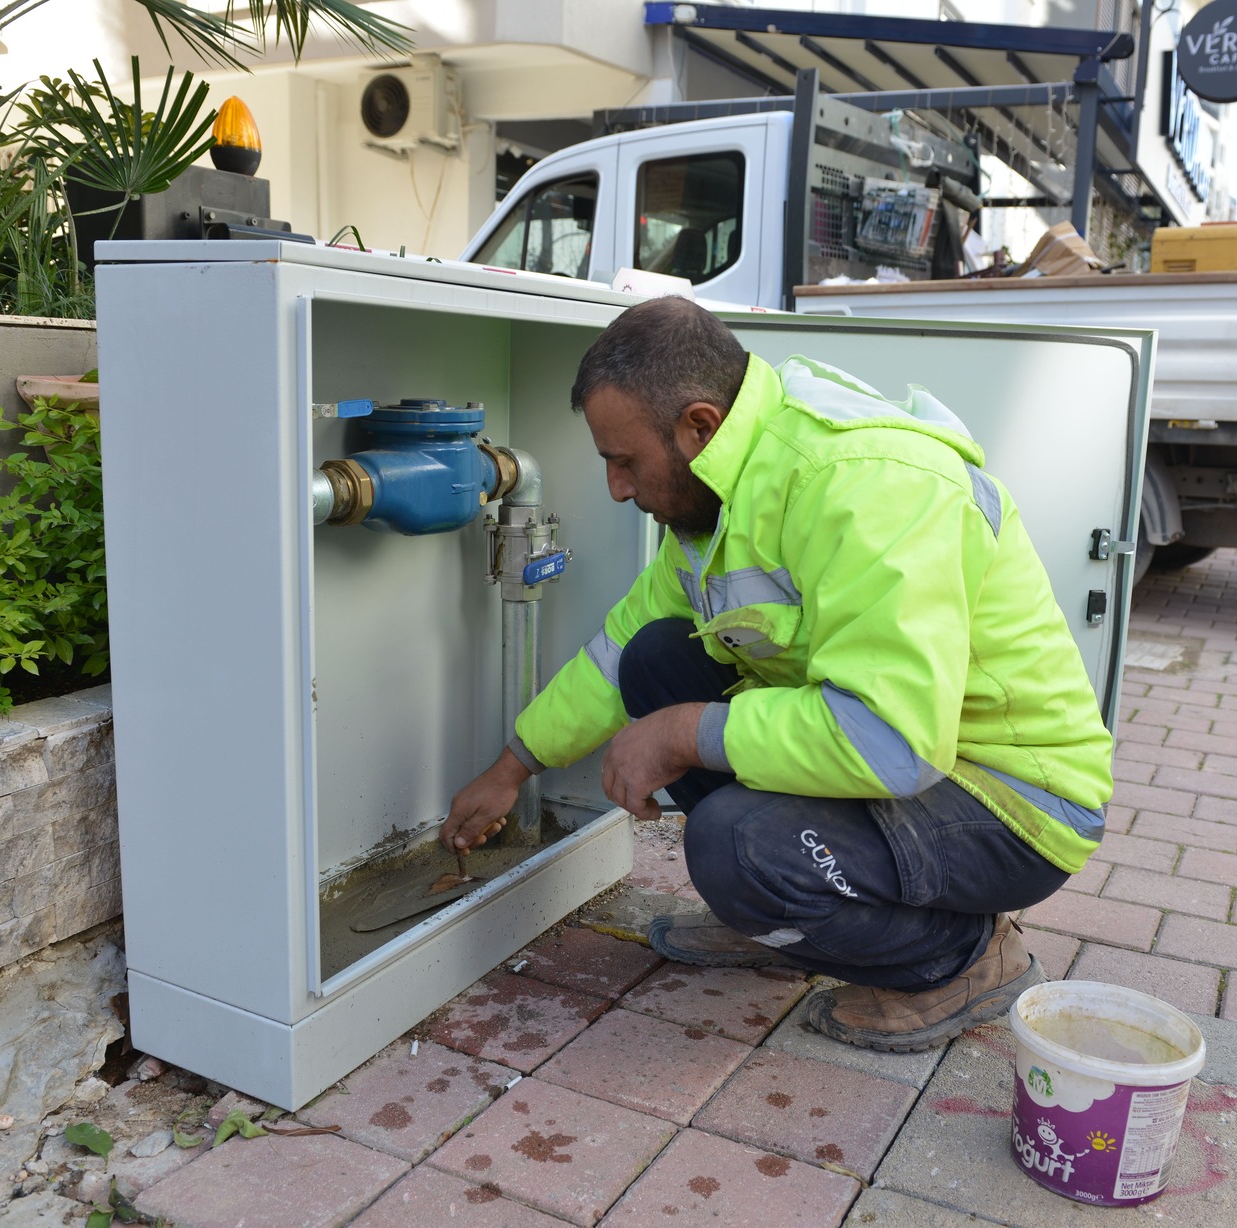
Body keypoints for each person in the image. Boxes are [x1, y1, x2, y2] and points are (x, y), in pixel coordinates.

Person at [440, 296, 1113, 1052]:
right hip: (916, 765)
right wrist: (513, 766)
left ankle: (964, 960)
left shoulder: (867, 485)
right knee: (657, 657)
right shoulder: (724, 495)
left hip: (1011, 802)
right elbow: (617, 649)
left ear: (698, 426)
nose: (617, 490)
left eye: (624, 462)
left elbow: (894, 742)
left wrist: (685, 733)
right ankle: (784, 921)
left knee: (736, 848)